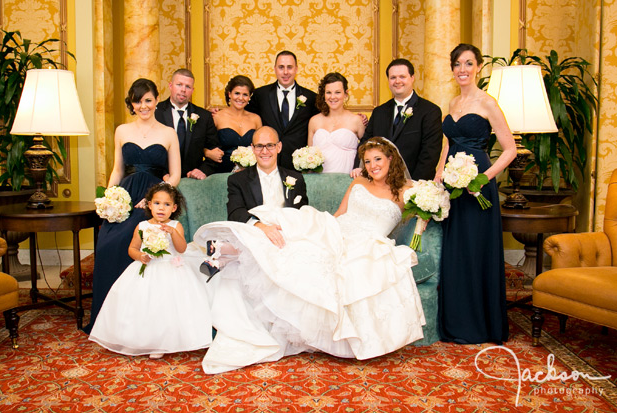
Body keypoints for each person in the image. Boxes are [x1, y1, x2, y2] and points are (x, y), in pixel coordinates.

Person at [193, 136, 425, 374]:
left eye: (377, 159)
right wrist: (319, 231)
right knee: (293, 232)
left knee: (303, 253)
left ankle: (231, 252)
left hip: (367, 245)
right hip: (339, 230)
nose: (372, 165)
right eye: (367, 161)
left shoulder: (410, 191)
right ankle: (232, 249)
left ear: (390, 158)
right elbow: (338, 214)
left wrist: (426, 214)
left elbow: (434, 199)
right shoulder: (358, 184)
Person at [83, 78, 181, 334]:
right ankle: (107, 318)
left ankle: (139, 321)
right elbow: (117, 169)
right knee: (107, 244)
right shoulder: (122, 130)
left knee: (134, 242)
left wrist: (153, 199)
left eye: (148, 100)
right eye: (138, 101)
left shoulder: (168, 133)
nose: (143, 105)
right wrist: (109, 196)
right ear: (132, 104)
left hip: (153, 197)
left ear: (157, 101)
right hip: (126, 193)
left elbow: (175, 174)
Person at [436, 44, 516, 344]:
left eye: (469, 63)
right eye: (457, 64)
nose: (462, 69)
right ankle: (456, 322)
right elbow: (447, 145)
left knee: (476, 249)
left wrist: (483, 177)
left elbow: (510, 150)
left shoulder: (488, 103)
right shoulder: (453, 102)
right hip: (453, 186)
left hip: (478, 183)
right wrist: (438, 176)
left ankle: (481, 325)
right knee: (455, 251)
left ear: (479, 67)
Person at [89, 183, 212, 359]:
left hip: (171, 268)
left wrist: (172, 233)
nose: (161, 208)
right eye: (157, 203)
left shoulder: (176, 226)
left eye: (167, 204)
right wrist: (140, 256)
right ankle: (144, 340)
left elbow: (182, 248)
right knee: (144, 305)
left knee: (168, 306)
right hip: (148, 268)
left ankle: (165, 341)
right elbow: (132, 248)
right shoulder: (142, 226)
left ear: (174, 208)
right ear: (149, 205)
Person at [352, 58, 442, 181]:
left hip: (413, 184)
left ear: (412, 78)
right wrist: (358, 166)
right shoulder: (379, 112)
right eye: (393, 77)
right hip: (379, 183)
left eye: (402, 77)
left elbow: (430, 154)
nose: (397, 81)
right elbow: (365, 143)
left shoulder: (430, 111)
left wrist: (413, 186)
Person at [246, 50, 319, 171]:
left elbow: (325, 119)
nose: (285, 72)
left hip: (298, 166)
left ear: (296, 69)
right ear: (274, 69)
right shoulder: (260, 95)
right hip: (267, 162)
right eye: (281, 67)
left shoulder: (311, 97)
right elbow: (244, 115)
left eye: (289, 67)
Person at [155, 68, 222, 179]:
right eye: (179, 85)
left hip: (192, 181)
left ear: (192, 90)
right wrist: (162, 174)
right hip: (161, 179)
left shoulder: (204, 116)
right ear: (170, 86)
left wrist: (202, 170)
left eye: (188, 87)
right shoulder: (156, 113)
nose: (183, 90)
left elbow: (215, 151)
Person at [307, 72, 365, 174]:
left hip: (347, 180)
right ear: (323, 95)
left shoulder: (356, 120)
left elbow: (367, 152)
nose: (332, 97)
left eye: (337, 92)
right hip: (318, 183)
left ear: (346, 94)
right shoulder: (314, 121)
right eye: (328, 92)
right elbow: (308, 156)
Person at [213, 75, 263, 172]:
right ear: (229, 94)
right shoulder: (217, 117)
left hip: (249, 173)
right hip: (222, 172)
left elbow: (261, 149)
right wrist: (207, 152)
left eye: (245, 94)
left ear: (249, 97)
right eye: (237, 93)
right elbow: (204, 144)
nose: (241, 98)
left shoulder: (256, 119)